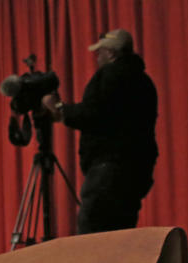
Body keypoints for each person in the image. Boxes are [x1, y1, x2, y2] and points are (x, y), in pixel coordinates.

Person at [42, 28, 158, 235]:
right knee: (122, 238)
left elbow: (94, 114)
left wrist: (60, 109)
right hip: (136, 173)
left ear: (112, 53)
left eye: (101, 52)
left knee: (93, 240)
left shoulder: (111, 75)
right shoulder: (145, 82)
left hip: (108, 171)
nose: (97, 56)